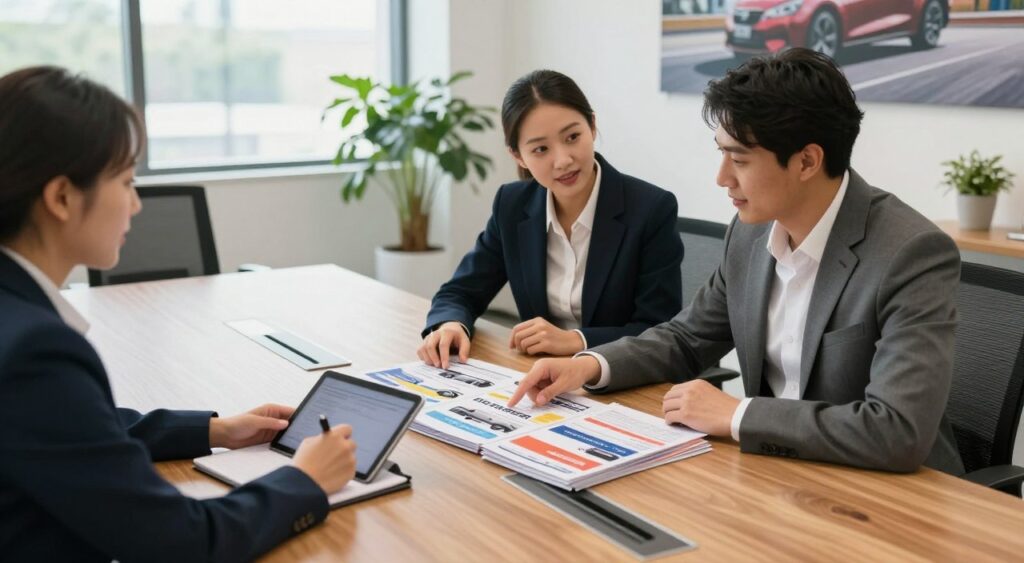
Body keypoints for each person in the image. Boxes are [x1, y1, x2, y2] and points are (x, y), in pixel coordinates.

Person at [509, 49, 964, 475]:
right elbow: (686, 339)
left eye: (739, 159)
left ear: (807, 161)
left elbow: (897, 430)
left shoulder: (912, 253)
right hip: (776, 472)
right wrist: (588, 366)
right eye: (721, 153)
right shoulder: (750, 231)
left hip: (893, 494)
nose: (722, 177)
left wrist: (737, 413)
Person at [0, 66, 358, 561]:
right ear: (61, 197)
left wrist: (214, 431)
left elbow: (68, 431)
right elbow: (180, 542)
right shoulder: (34, 351)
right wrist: (305, 480)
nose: (137, 204)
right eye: (126, 182)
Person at [418, 70, 683, 369]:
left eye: (573, 137)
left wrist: (575, 340)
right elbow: (461, 291)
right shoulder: (512, 205)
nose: (563, 160)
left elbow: (660, 332)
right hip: (541, 378)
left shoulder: (650, 209)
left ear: (592, 126)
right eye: (541, 149)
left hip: (619, 380)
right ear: (518, 156)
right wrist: (452, 324)